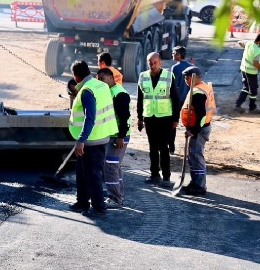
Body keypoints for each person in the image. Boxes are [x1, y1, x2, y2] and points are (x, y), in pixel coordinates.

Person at [67, 60, 118, 218]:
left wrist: (81, 140)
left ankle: (99, 208)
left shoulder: (87, 91)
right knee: (82, 172)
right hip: (101, 136)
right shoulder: (101, 85)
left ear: (76, 77)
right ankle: (82, 202)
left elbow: (90, 117)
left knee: (93, 174)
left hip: (91, 140)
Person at [137, 52, 181, 188]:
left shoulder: (168, 76)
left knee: (164, 147)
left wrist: (175, 119)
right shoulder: (143, 76)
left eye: (155, 63)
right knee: (152, 148)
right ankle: (154, 174)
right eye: (150, 63)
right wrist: (139, 118)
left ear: (160, 63)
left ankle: (166, 177)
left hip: (165, 118)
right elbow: (140, 99)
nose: (153, 65)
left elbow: (175, 99)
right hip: (150, 117)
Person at [97, 67, 131, 208]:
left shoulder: (120, 94)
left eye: (103, 79)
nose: (101, 82)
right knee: (114, 167)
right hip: (112, 135)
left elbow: (124, 117)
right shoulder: (108, 92)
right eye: (99, 80)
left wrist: (121, 137)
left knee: (110, 167)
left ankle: (115, 198)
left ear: (111, 78)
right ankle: (118, 195)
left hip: (118, 137)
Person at [179, 66, 215, 196]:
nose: (185, 81)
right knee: (193, 155)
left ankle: (199, 185)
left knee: (196, 155)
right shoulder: (202, 87)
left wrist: (193, 131)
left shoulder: (198, 93)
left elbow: (200, 115)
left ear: (189, 78)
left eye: (185, 78)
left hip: (199, 129)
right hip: (201, 127)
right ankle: (195, 182)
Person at [235, 33, 260, 114]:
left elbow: (240, 42)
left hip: (243, 69)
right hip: (251, 72)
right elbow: (255, 63)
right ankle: (252, 108)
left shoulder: (249, 43)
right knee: (253, 90)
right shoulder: (257, 51)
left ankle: (237, 105)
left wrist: (245, 47)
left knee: (245, 87)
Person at [169, 45, 193, 154]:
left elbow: (172, 85)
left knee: (173, 123)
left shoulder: (175, 68)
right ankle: (190, 148)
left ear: (179, 55)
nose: (173, 55)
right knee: (189, 124)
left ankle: (171, 147)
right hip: (188, 100)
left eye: (174, 53)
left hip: (177, 100)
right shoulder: (191, 67)